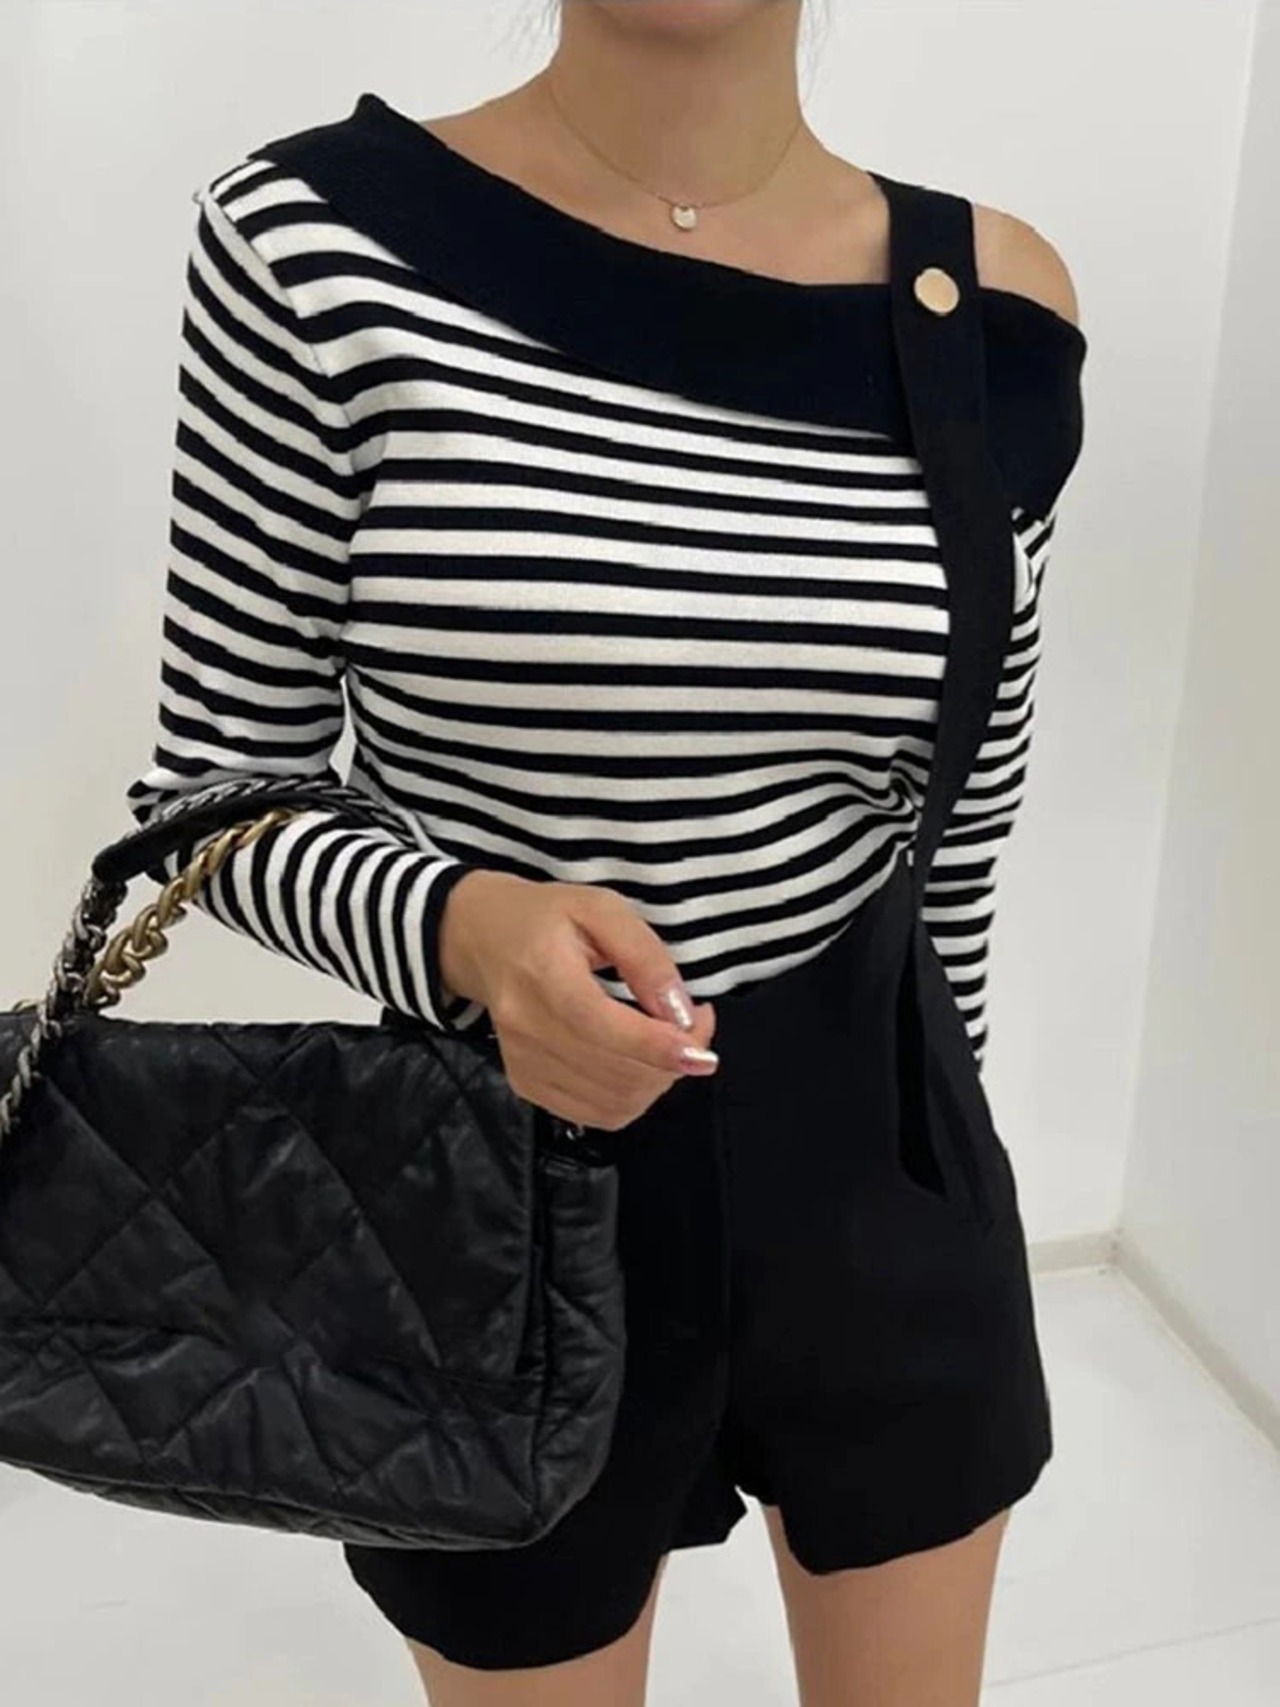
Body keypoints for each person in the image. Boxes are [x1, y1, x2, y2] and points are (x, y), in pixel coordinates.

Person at [125, 1, 1086, 1700]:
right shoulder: (318, 243)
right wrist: (463, 927)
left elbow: (963, 820)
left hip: (880, 1169)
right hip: (492, 1187)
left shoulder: (993, 303)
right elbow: (207, 797)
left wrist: (947, 1145)